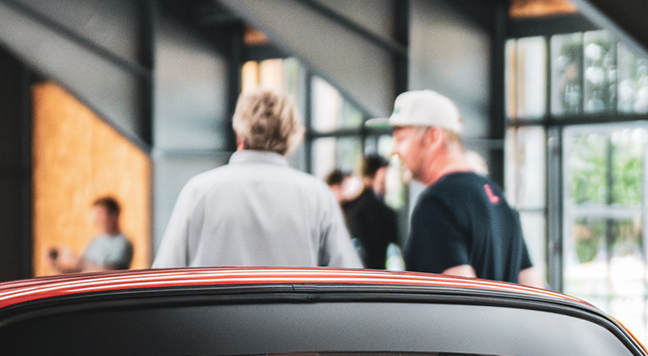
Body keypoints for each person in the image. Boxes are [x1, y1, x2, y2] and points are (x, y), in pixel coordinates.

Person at [154, 88, 357, 268]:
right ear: (292, 134)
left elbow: (165, 273)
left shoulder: (199, 191)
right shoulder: (317, 195)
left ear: (239, 131)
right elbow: (348, 277)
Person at [393, 89, 542, 285]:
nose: (394, 150)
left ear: (433, 137)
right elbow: (533, 287)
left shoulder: (437, 204)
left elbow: (459, 299)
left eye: (401, 139)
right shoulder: (498, 198)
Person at [337, 156, 402, 273]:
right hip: (375, 274)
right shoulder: (379, 210)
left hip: (354, 273)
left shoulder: (349, 207)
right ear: (379, 175)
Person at [45, 197, 134, 273]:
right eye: (95, 216)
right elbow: (80, 270)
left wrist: (80, 262)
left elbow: (111, 274)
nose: (96, 220)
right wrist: (56, 265)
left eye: (100, 215)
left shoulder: (122, 243)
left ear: (114, 215)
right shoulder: (95, 240)